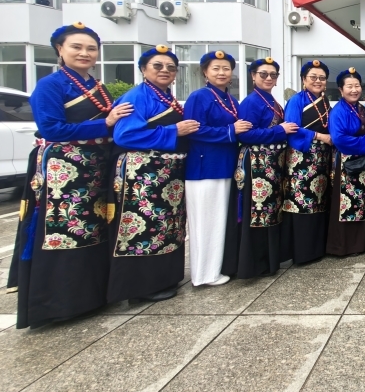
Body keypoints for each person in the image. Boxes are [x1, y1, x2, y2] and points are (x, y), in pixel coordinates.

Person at [11, 23, 132, 328]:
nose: (84, 53)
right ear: (60, 49)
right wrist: (105, 124)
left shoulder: (96, 86)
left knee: (95, 228)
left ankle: (94, 296)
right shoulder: (50, 85)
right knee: (65, 231)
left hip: (95, 167)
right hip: (64, 171)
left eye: (91, 48)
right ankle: (60, 303)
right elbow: (52, 128)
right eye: (76, 47)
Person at [108, 46, 198, 303]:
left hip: (166, 174)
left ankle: (165, 278)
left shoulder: (166, 97)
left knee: (167, 227)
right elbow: (125, 135)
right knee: (144, 228)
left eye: (171, 67)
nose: (165, 71)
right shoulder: (136, 97)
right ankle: (142, 287)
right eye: (158, 66)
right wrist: (173, 131)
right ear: (143, 69)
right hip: (142, 175)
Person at [183, 50, 251, 287]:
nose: (222, 72)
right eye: (216, 68)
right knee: (205, 222)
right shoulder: (199, 97)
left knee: (220, 220)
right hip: (205, 167)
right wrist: (231, 131)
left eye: (226, 68)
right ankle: (204, 274)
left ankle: (217, 268)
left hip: (225, 165)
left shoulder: (230, 99)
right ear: (205, 72)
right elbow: (194, 129)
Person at [233, 58, 298, 279]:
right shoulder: (251, 102)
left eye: (273, 75)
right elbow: (245, 135)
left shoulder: (271, 100)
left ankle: (270, 261)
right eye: (263, 74)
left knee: (270, 212)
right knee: (258, 213)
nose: (269, 78)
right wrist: (279, 131)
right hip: (256, 164)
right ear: (253, 76)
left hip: (271, 164)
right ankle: (256, 264)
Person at [282, 60, 332, 264]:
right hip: (302, 158)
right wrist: (319, 136)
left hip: (322, 158)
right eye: (313, 77)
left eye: (322, 78)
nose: (318, 81)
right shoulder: (296, 100)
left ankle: (317, 249)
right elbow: (292, 127)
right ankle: (302, 252)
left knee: (319, 201)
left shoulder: (325, 101)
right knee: (302, 203)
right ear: (304, 79)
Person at [327, 67, 365, 256]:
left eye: (357, 85)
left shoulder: (360, 108)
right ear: (341, 90)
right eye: (349, 86)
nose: (354, 90)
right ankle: (343, 246)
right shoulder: (338, 111)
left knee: (360, 203)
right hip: (347, 165)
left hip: (362, 163)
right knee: (346, 204)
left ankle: (359, 244)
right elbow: (339, 139)